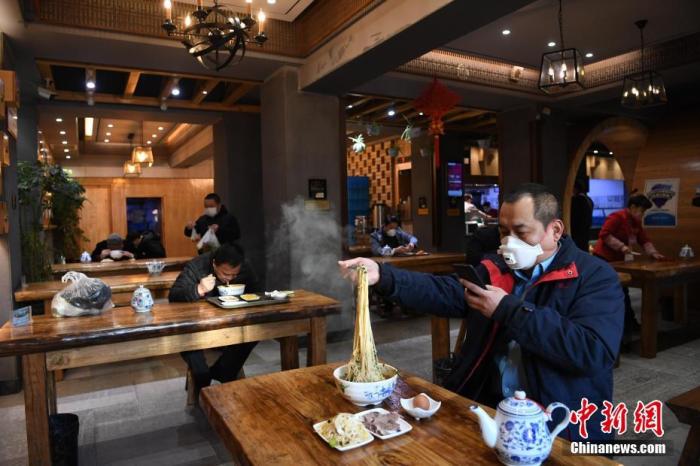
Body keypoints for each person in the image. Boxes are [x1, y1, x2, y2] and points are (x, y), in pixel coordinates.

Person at [339, 183, 624, 442]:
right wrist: (384, 276)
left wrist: (507, 309)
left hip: (558, 422)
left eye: (521, 232)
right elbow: (445, 291)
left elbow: (593, 351)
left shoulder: (594, 276)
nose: (509, 242)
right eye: (504, 232)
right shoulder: (496, 268)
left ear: (555, 230)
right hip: (488, 405)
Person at [169, 245, 259, 401]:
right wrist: (198, 289)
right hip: (196, 326)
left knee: (256, 330)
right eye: (225, 274)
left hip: (230, 322)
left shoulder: (244, 266)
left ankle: (223, 371)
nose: (230, 279)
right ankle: (204, 380)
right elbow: (174, 295)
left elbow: (257, 291)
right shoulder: (198, 266)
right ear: (214, 264)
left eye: (235, 275)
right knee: (201, 372)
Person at [593, 194, 665, 332]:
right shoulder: (617, 217)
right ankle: (624, 326)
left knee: (623, 291)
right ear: (632, 207)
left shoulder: (635, 222)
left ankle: (628, 324)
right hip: (603, 259)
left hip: (618, 261)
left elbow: (644, 239)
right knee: (619, 291)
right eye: (642, 211)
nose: (642, 214)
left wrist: (653, 253)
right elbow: (604, 234)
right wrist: (621, 247)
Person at [570, 180, 594, 252]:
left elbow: (574, 217)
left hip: (578, 232)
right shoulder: (588, 199)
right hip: (586, 230)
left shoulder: (577, 200)